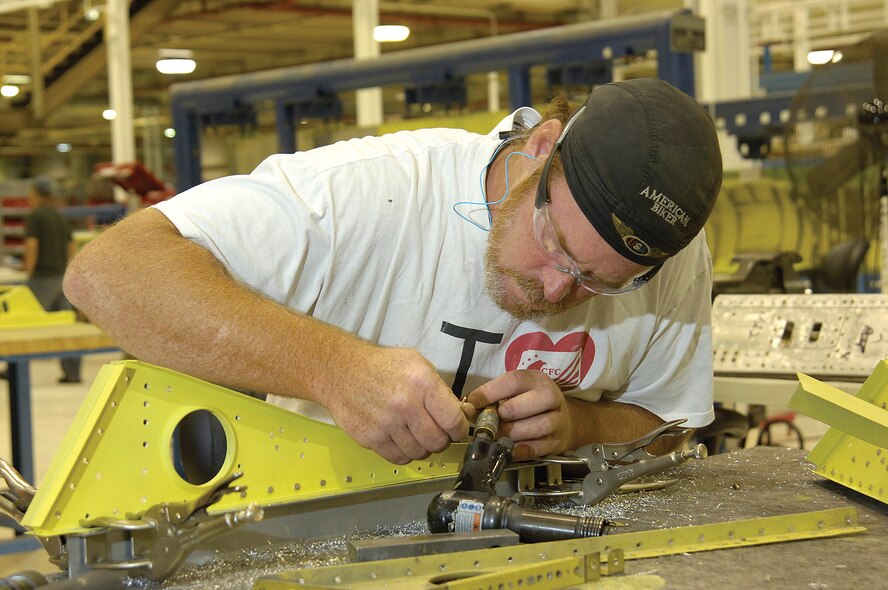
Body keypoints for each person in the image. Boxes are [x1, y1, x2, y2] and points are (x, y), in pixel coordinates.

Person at [63, 77, 723, 465]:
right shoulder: (369, 193)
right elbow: (107, 273)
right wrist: (333, 367)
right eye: (553, 243)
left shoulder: (672, 258)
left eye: (598, 282)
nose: (555, 291)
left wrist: (581, 427)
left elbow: (670, 422)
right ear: (540, 149)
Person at [26, 176, 82, 383]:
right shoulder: (61, 217)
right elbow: (72, 246)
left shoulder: (36, 216)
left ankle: (14, 367)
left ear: (37, 194)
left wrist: (28, 272)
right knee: (67, 324)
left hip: (43, 277)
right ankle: (72, 372)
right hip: (62, 277)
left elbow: (32, 245)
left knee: (26, 321)